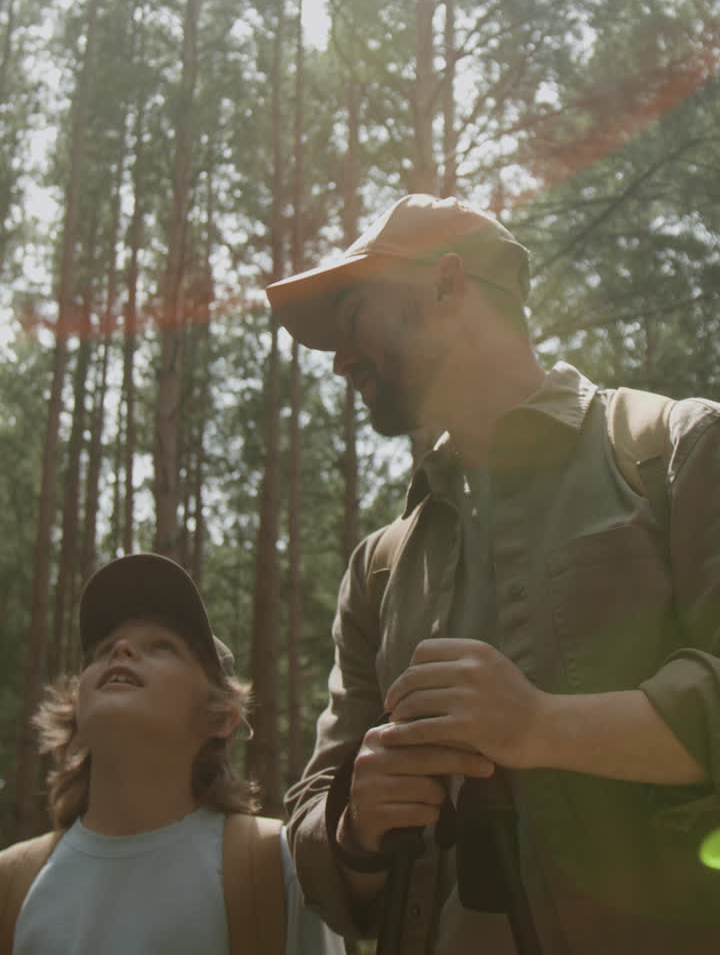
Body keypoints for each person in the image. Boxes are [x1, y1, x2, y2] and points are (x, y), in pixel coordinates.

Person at [266, 192, 720, 954]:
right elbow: (316, 818)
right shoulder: (379, 570)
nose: (339, 359)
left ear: (447, 286)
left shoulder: (676, 451)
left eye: (352, 321)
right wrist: (355, 827)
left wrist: (541, 726)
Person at [0, 552, 345, 955]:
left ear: (220, 716)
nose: (122, 649)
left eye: (163, 647)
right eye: (103, 649)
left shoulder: (277, 867)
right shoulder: (11, 885)